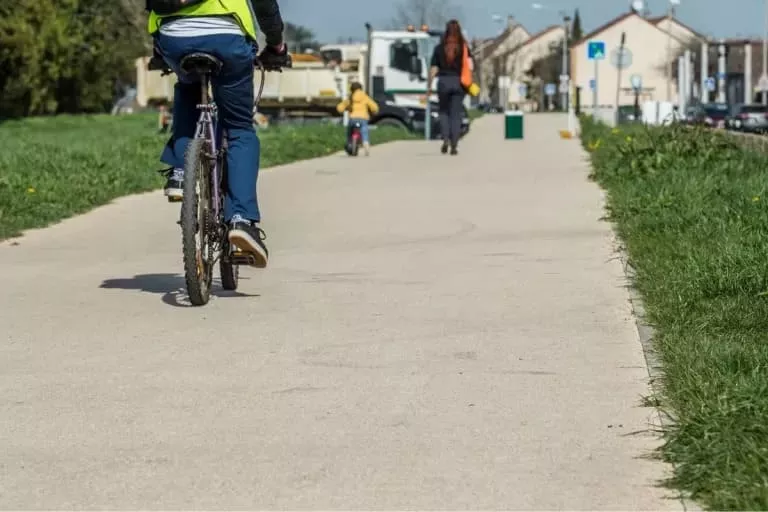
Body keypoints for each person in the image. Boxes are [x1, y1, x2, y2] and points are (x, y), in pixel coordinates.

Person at [147, 0, 290, 267]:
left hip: (172, 36)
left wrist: (159, 48)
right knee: (238, 128)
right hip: (227, 36)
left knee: (188, 87)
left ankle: (180, 171)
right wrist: (276, 44)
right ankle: (241, 220)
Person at [428, 19, 470, 156]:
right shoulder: (464, 48)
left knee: (444, 112)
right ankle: (454, 145)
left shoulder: (439, 48)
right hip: (459, 83)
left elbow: (434, 69)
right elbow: (470, 66)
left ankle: (445, 139)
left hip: (443, 83)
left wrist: (429, 86)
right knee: (455, 114)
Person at [335, 82, 379, 156]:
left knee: (349, 132)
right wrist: (375, 111)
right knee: (364, 131)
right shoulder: (365, 97)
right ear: (361, 88)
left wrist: (341, 110)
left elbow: (340, 107)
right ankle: (366, 143)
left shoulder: (350, 98)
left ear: (352, 89)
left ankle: (349, 143)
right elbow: (374, 107)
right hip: (363, 118)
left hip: (353, 119)